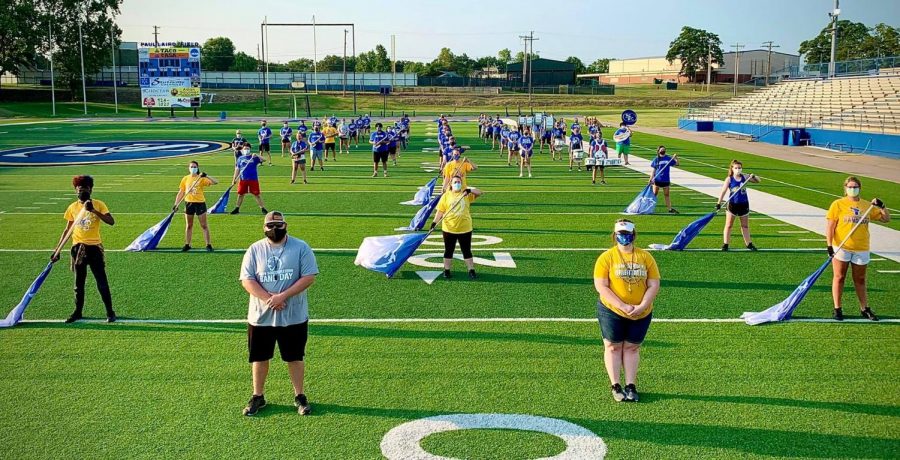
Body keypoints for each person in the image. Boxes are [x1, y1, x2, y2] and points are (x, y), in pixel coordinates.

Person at [239, 211, 319, 417]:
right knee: (259, 357)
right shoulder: (255, 249)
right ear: (264, 228)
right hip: (261, 316)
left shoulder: (301, 247)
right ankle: (258, 396)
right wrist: (269, 299)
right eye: (270, 225)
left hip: (293, 315)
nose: (274, 229)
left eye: (278, 225)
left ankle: (299, 395)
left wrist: (282, 296)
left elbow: (309, 276)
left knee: (294, 357)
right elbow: (247, 280)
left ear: (286, 225)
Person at [593, 219, 660, 403]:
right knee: (613, 346)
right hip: (611, 310)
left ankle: (631, 385)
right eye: (620, 234)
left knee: (632, 347)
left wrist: (643, 305)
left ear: (634, 234)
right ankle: (615, 384)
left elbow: (654, 284)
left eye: (627, 233)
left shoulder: (645, 257)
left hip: (641, 312)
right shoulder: (606, 257)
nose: (624, 237)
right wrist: (622, 306)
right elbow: (601, 286)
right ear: (615, 236)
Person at [53, 175, 117, 323]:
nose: (82, 192)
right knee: (78, 284)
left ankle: (110, 311)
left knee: (102, 281)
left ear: (91, 189)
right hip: (78, 249)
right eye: (80, 189)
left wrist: (94, 211)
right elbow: (67, 230)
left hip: (94, 248)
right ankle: (78, 311)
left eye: (85, 189)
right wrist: (57, 250)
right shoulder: (72, 208)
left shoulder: (99, 204)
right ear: (76, 190)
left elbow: (111, 221)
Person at [826, 177, 890, 321]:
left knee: (860, 279)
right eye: (850, 186)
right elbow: (830, 226)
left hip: (861, 247)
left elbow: (886, 219)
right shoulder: (838, 204)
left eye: (855, 187)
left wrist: (882, 206)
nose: (852, 189)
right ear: (845, 188)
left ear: (860, 188)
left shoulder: (867, 205)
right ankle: (837, 308)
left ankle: (864, 308)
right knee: (839, 277)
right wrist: (829, 245)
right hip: (842, 247)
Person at [431, 175, 483, 280]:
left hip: (465, 228)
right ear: (450, 184)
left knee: (466, 250)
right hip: (449, 228)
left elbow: (480, 192)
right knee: (449, 250)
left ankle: (471, 270)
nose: (457, 184)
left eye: (459, 182)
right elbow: (440, 211)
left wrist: (470, 190)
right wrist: (434, 222)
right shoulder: (446, 196)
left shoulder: (466, 194)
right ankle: (446, 270)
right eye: (455, 182)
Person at [715, 160, 760, 251]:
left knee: (745, 226)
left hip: (744, 204)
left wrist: (754, 176)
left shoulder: (745, 177)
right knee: (728, 225)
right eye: (736, 168)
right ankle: (726, 244)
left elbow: (758, 181)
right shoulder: (729, 179)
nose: (738, 169)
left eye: (739, 168)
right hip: (732, 205)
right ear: (732, 169)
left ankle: (749, 244)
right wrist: (718, 203)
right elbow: (723, 191)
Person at [174, 161, 219, 252]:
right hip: (189, 203)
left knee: (204, 225)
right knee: (189, 225)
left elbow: (216, 182)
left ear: (198, 168)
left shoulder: (201, 178)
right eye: (191, 167)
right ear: (189, 168)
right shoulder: (185, 178)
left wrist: (206, 176)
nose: (193, 168)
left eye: (195, 167)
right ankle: (187, 244)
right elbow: (181, 192)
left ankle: (208, 244)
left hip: (200, 203)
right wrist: (176, 204)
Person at [230, 144, 269, 215]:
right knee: (240, 194)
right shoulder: (240, 158)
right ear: (242, 149)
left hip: (253, 179)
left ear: (250, 149)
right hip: (243, 179)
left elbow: (264, 159)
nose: (246, 150)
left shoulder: (253, 157)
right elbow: (237, 169)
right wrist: (234, 179)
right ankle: (237, 208)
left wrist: (257, 155)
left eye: (247, 148)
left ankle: (263, 208)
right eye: (245, 148)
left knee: (257, 194)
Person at [650, 146, 679, 214]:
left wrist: (676, 158)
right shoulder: (656, 159)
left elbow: (677, 164)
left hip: (666, 180)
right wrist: (651, 178)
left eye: (664, 149)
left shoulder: (668, 158)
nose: (663, 150)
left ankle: (670, 209)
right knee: (654, 194)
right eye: (662, 150)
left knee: (666, 195)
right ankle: (650, 208)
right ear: (658, 151)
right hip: (657, 179)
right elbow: (654, 170)